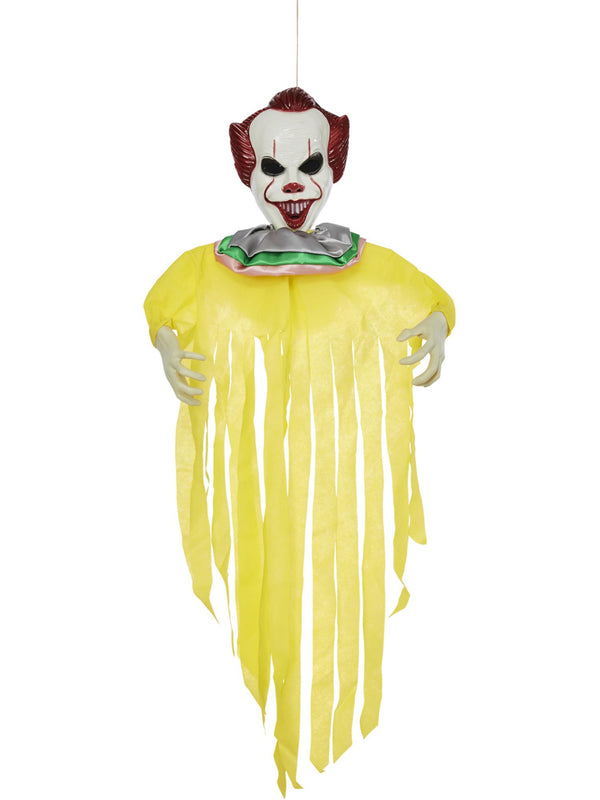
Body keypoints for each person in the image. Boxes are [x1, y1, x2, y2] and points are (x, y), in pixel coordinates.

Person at [144, 86, 455, 797]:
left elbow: (427, 298)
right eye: (274, 167)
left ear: (333, 169)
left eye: (311, 164)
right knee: (266, 555)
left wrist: (437, 325)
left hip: (334, 471)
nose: (292, 183)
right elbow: (165, 308)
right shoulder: (212, 265)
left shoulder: (361, 260)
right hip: (256, 468)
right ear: (249, 172)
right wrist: (166, 344)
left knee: (330, 563)